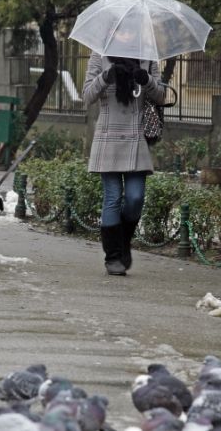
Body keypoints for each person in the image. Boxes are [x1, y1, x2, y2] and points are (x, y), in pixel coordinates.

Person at [82, 52, 165, 276]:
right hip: (108, 137)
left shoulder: (147, 57)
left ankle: (123, 242)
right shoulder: (100, 56)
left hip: (137, 138)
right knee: (113, 197)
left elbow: (161, 96)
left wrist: (145, 79)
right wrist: (106, 76)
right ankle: (113, 257)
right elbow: (87, 95)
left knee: (135, 198)